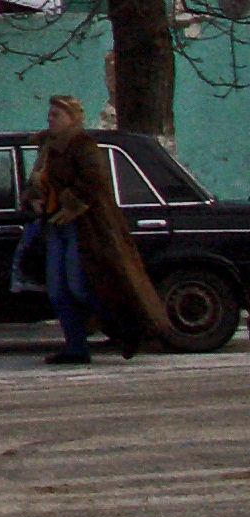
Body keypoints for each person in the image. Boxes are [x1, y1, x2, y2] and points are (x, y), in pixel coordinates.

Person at [24, 94, 168, 364]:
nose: (50, 119)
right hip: (55, 226)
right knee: (57, 290)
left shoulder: (82, 145)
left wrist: (71, 204)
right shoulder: (46, 146)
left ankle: (125, 326)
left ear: (72, 118)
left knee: (80, 286)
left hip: (85, 228)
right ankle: (76, 348)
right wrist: (34, 199)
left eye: (56, 114)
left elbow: (95, 180)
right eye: (49, 114)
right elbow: (36, 181)